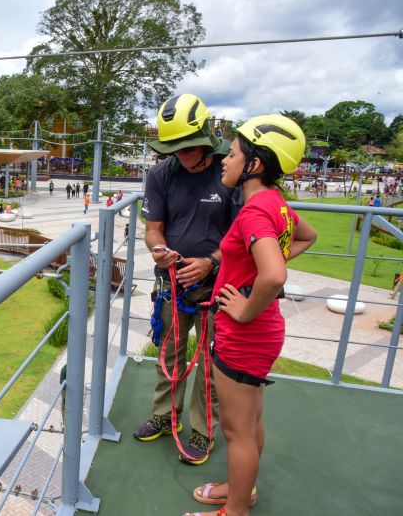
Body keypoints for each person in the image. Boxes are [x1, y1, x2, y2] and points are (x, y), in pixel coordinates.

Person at [185, 115, 316, 516]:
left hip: (247, 332)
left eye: (234, 153)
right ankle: (242, 490)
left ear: (254, 164)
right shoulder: (276, 203)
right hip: (262, 330)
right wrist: (256, 273)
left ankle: (236, 510)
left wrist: (243, 309)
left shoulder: (255, 211)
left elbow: (274, 275)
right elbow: (307, 236)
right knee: (251, 422)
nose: (225, 159)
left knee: (237, 431)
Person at [135, 93, 235, 465]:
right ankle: (165, 415)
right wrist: (160, 250)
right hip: (172, 283)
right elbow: (153, 230)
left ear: (206, 137)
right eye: (172, 148)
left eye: (187, 147)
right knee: (170, 353)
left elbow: (244, 235)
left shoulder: (230, 170)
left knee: (210, 361)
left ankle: (203, 432)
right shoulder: (162, 173)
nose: (181, 154)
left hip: (218, 286)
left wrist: (210, 261)